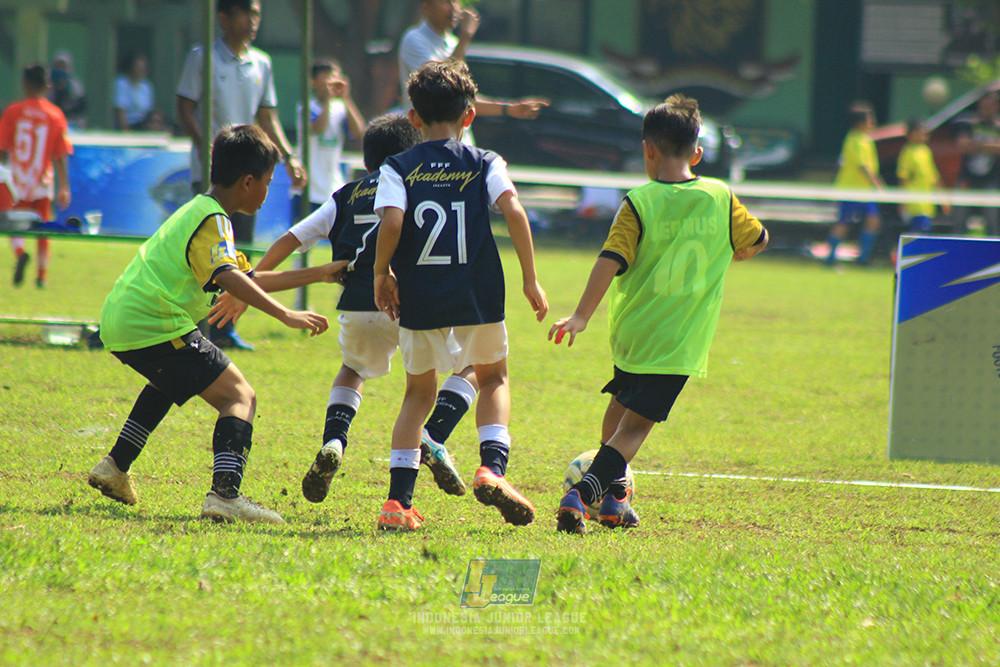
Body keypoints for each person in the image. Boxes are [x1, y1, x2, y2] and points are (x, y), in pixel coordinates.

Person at [86, 124, 339, 524]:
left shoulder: (201, 211)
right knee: (240, 395)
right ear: (247, 181)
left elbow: (247, 276)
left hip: (124, 319)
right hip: (153, 321)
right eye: (269, 182)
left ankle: (115, 467)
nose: (269, 190)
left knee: (169, 380)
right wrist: (284, 314)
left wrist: (322, 272)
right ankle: (225, 496)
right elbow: (228, 276)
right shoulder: (216, 220)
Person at [549, 94, 768, 535]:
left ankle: (615, 502)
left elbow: (609, 259)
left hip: (633, 330)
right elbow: (759, 239)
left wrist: (581, 315)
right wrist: (735, 252)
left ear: (647, 149)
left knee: (620, 407)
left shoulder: (638, 201)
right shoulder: (719, 196)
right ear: (698, 154)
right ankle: (584, 493)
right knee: (634, 428)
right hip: (677, 340)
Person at [231, 113, 473, 504]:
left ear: (366, 162)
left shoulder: (346, 194)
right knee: (472, 365)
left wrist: (250, 281)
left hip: (357, 306)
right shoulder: (416, 186)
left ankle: (334, 441)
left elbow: (291, 240)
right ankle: (434, 435)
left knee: (353, 369)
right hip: (407, 303)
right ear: (412, 155)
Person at [372, 60, 549, 531]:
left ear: (414, 119)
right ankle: (491, 467)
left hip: (420, 295)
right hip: (477, 292)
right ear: (469, 116)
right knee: (492, 378)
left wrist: (381, 273)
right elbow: (513, 209)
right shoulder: (485, 161)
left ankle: (397, 503)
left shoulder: (397, 165)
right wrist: (530, 278)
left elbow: (391, 223)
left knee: (417, 393)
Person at [176, 0, 307, 350]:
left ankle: (224, 327)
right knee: (204, 249)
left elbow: (268, 117)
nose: (252, 20)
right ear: (223, 17)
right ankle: (195, 323)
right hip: (212, 173)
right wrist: (207, 147)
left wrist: (290, 156)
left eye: (256, 13)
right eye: (245, 12)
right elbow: (184, 108)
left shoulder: (261, 62)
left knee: (239, 252)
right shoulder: (201, 56)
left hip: (248, 174)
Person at [397, 0, 546, 129]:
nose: (454, 8)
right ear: (426, 7)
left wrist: (509, 108)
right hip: (427, 143)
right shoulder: (414, 39)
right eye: (445, 2)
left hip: (459, 141)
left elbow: (462, 98)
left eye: (455, 2)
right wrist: (465, 37)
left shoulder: (453, 43)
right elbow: (440, 87)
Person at [0, 64, 72, 288]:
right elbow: (60, 153)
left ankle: (20, 252)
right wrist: (64, 186)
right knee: (43, 228)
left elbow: (2, 146)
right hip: (41, 181)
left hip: (17, 181)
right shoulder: (55, 115)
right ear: (47, 86)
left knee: (11, 224)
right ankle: (42, 276)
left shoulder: (14, 111)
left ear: (25, 84)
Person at [292, 59, 366, 216]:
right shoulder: (306, 107)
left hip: (332, 188)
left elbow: (358, 132)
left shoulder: (341, 108)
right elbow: (318, 129)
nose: (331, 83)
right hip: (308, 189)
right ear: (313, 82)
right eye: (326, 78)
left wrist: (346, 98)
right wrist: (327, 100)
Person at [825, 101, 883, 266]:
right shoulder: (854, 139)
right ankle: (830, 258)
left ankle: (863, 258)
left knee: (873, 219)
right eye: (869, 118)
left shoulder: (866, 139)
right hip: (850, 190)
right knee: (843, 223)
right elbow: (862, 166)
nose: (872, 121)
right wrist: (877, 183)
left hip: (865, 192)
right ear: (860, 122)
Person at [953, 90, 1000, 236]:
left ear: (996, 107)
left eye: (989, 107)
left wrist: (976, 145)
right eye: (982, 106)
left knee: (992, 220)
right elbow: (962, 146)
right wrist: (988, 146)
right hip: (967, 179)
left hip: (990, 180)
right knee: (959, 218)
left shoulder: (997, 127)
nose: (984, 110)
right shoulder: (968, 124)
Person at [897, 119, 949, 234]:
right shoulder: (907, 152)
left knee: (922, 234)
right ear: (911, 134)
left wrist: (943, 199)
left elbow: (934, 177)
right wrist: (902, 203)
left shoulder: (926, 151)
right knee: (920, 234)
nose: (924, 135)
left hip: (927, 205)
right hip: (915, 204)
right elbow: (903, 179)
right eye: (920, 132)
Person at [114, 54, 163, 131]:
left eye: (144, 67)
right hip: (130, 125)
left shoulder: (146, 86)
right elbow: (120, 112)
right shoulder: (121, 84)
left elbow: (149, 112)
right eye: (139, 67)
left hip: (144, 125)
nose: (142, 70)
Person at [48, 51, 86, 128]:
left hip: (72, 122)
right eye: (58, 66)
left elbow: (81, 106)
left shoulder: (74, 84)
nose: (61, 69)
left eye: (63, 66)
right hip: (53, 122)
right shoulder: (49, 84)